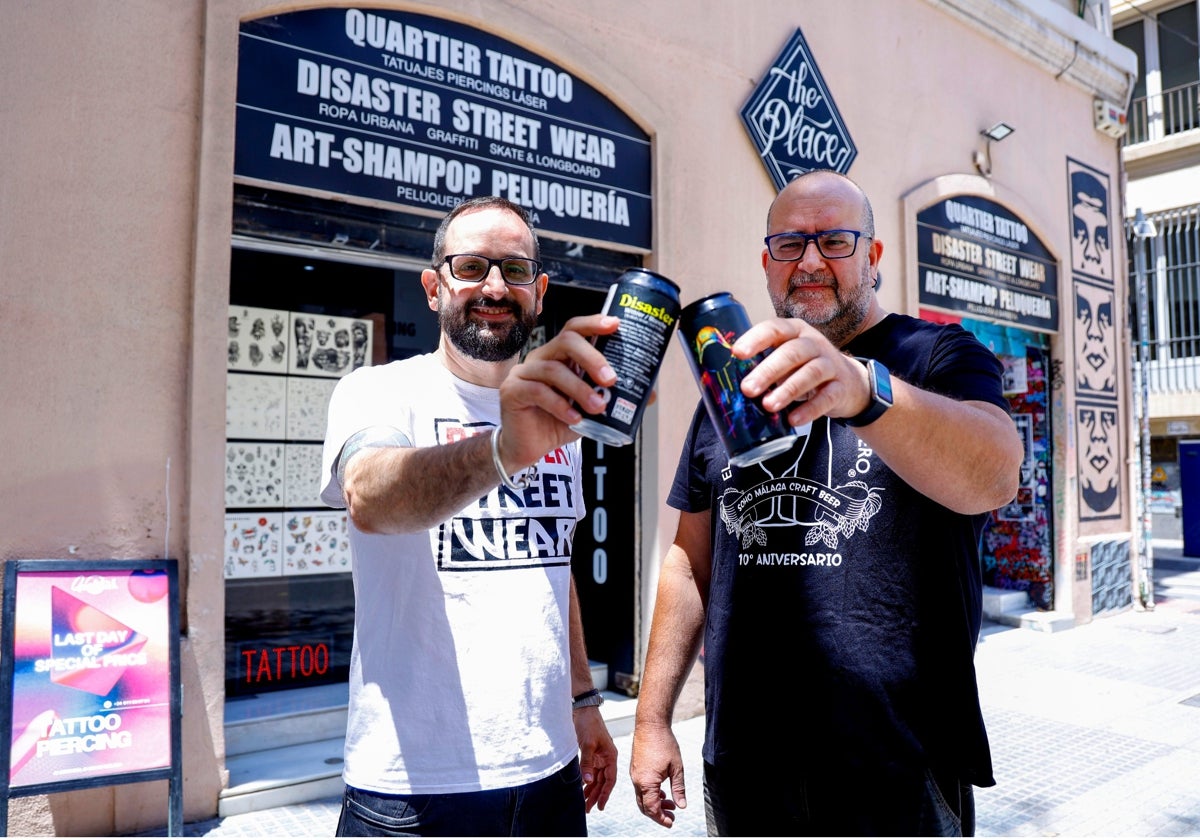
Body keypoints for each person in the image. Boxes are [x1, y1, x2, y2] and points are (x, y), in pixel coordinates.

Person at [629, 170, 1023, 837]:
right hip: (746, 770)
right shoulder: (731, 386)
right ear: (766, 263)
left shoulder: (937, 356)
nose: (810, 260)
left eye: (834, 240)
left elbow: (995, 473)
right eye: (790, 244)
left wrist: (863, 390)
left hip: (900, 771)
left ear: (872, 257)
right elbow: (688, 564)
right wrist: (650, 720)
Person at [320, 195, 619, 836]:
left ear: (538, 292)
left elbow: (552, 567)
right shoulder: (378, 390)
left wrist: (585, 701)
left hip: (549, 775)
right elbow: (370, 497)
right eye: (471, 266)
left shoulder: (559, 415)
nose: (493, 286)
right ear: (434, 287)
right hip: (413, 789)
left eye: (513, 270)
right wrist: (501, 450)